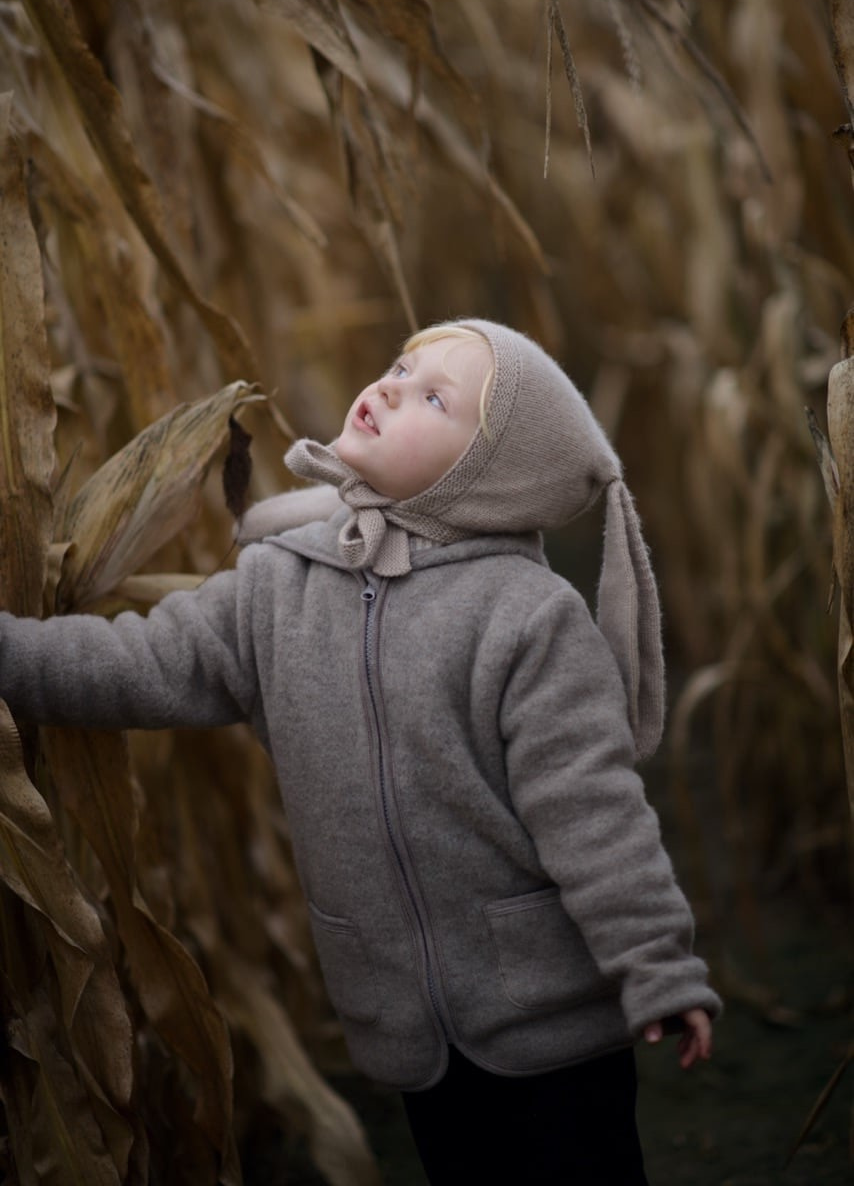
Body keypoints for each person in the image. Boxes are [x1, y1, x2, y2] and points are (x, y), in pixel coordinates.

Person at [0, 319, 720, 1184]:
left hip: (547, 1025)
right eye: (399, 368)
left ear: (489, 469)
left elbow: (594, 814)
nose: (390, 387)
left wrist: (656, 964)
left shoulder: (527, 618)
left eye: (434, 398)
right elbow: (142, 662)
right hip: (404, 1029)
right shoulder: (279, 585)